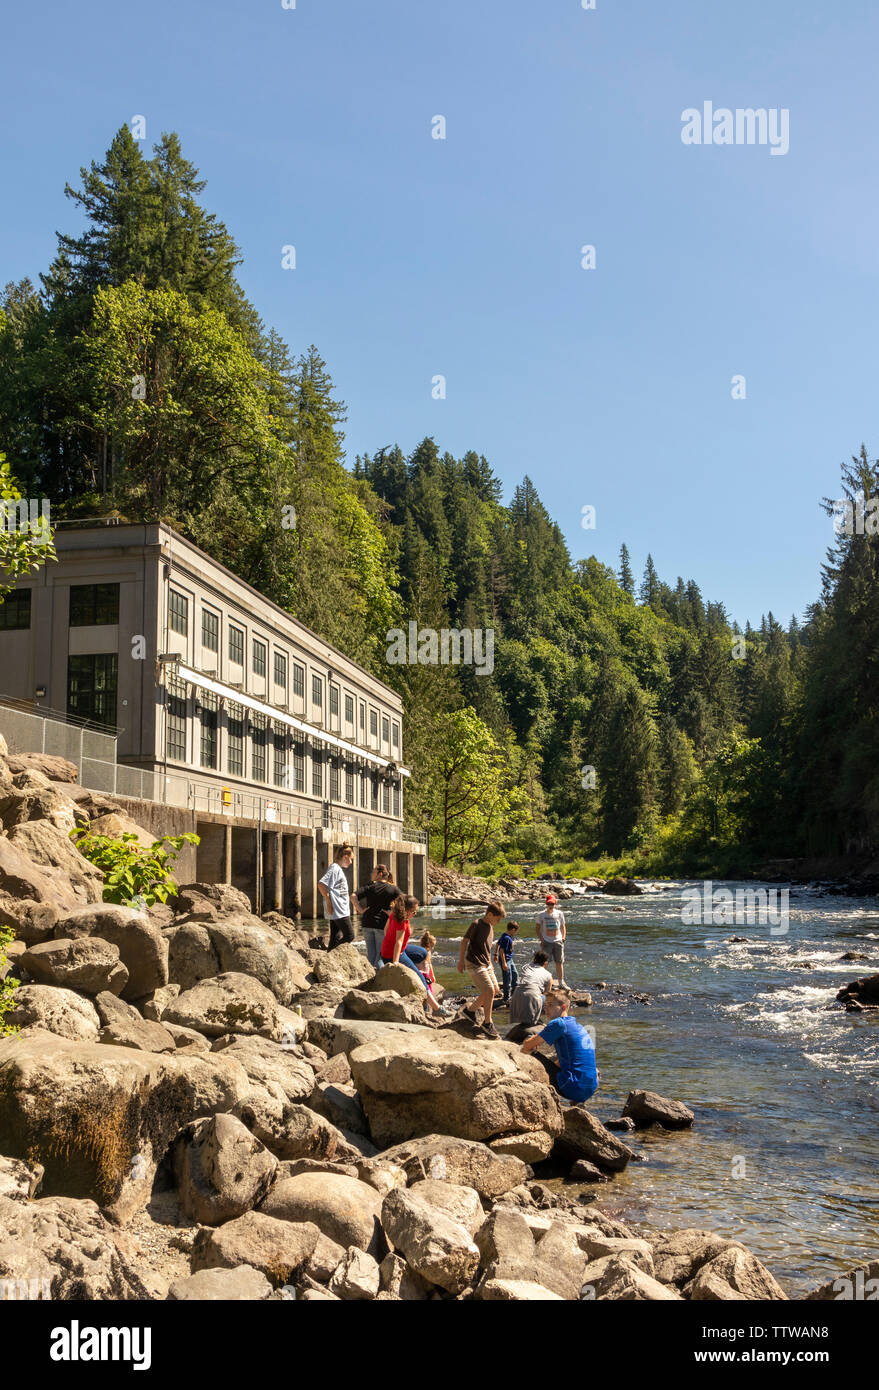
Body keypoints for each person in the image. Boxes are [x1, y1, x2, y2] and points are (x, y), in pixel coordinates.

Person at [520, 986, 598, 1102]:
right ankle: (576, 1102)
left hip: (572, 1087)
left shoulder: (558, 1024)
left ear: (564, 1007)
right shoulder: (578, 1026)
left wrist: (530, 1042)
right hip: (590, 1088)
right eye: (546, 1005)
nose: (546, 1009)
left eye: (551, 1005)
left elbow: (527, 1046)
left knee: (528, 1047)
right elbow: (566, 1060)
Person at [380, 894, 449, 1015]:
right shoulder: (403, 923)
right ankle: (437, 1008)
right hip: (395, 953)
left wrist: (389, 944)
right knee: (421, 979)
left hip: (388, 950)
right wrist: (396, 963)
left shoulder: (393, 914)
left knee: (422, 952)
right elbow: (398, 943)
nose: (415, 914)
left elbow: (386, 931)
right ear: (406, 910)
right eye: (414, 911)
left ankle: (415, 967)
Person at [457, 900, 505, 1039]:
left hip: (486, 964)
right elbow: (464, 941)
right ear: (490, 914)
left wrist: (490, 965)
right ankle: (487, 1022)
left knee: (495, 990)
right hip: (474, 963)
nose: (498, 922)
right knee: (488, 991)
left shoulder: (490, 927)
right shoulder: (476, 924)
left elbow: (486, 948)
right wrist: (460, 961)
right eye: (498, 919)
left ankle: (470, 1011)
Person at [354, 863, 398, 968]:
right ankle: (379, 979)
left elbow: (353, 896)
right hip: (381, 924)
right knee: (379, 956)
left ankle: (371, 978)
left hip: (367, 923)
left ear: (380, 874)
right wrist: (393, 913)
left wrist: (360, 909)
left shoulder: (370, 886)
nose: (371, 874)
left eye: (373, 872)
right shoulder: (391, 888)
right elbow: (405, 901)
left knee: (371, 955)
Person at [505, 950, 554, 1042]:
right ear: (546, 963)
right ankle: (535, 1022)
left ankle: (529, 1020)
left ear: (534, 959)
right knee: (547, 999)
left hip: (516, 996)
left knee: (535, 998)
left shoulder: (526, 967)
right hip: (532, 996)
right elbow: (548, 994)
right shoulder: (548, 975)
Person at [318, 844, 354, 950]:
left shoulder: (336, 868)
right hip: (338, 910)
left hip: (337, 910)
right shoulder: (335, 869)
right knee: (350, 935)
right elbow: (321, 884)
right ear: (345, 857)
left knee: (335, 937)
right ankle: (334, 955)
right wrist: (329, 902)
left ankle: (330, 958)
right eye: (351, 859)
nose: (351, 862)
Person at [535, 893, 567, 986]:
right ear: (546, 904)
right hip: (546, 941)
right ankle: (544, 982)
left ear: (555, 904)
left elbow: (563, 926)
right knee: (544, 962)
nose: (550, 906)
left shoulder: (560, 913)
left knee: (559, 962)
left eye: (552, 904)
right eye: (549, 904)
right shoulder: (541, 914)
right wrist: (541, 939)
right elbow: (537, 928)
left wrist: (563, 937)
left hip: (558, 941)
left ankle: (561, 982)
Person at [493, 920, 519, 1003]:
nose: (515, 933)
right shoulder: (506, 938)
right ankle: (506, 998)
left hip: (510, 960)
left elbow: (497, 944)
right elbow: (502, 951)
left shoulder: (504, 935)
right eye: (515, 931)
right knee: (507, 978)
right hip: (506, 960)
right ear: (513, 930)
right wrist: (504, 963)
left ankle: (514, 994)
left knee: (515, 975)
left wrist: (495, 955)